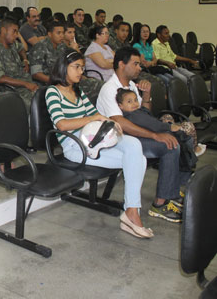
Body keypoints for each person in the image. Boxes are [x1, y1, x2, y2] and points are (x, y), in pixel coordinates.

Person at [46, 48, 151, 238]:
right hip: (75, 146)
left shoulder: (79, 92)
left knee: (134, 145)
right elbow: (61, 124)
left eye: (82, 67)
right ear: (63, 68)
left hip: (94, 138)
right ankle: (132, 213)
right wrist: (93, 118)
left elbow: (96, 116)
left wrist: (110, 123)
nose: (81, 72)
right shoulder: (53, 92)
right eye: (76, 67)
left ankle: (131, 212)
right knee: (139, 160)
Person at [96, 47, 187, 223]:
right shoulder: (110, 89)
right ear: (122, 65)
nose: (140, 67)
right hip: (119, 140)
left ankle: (171, 191)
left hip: (133, 135)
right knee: (169, 145)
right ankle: (160, 205)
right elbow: (120, 123)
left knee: (174, 139)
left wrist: (146, 96)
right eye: (135, 64)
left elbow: (143, 114)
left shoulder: (130, 85)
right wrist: (154, 136)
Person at [116, 88, 205, 156]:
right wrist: (169, 127)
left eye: (135, 100)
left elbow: (146, 113)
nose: (134, 103)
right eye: (129, 102)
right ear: (121, 106)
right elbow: (153, 124)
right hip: (156, 132)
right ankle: (193, 150)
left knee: (167, 116)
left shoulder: (135, 112)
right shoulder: (133, 115)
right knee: (188, 126)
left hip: (156, 127)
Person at [0, 18, 38, 109]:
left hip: (25, 84)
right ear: (3, 30)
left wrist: (25, 60)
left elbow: (22, 49)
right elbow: (0, 78)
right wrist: (25, 84)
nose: (16, 35)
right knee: (34, 106)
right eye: (14, 32)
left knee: (45, 98)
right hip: (11, 89)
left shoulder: (13, 44)